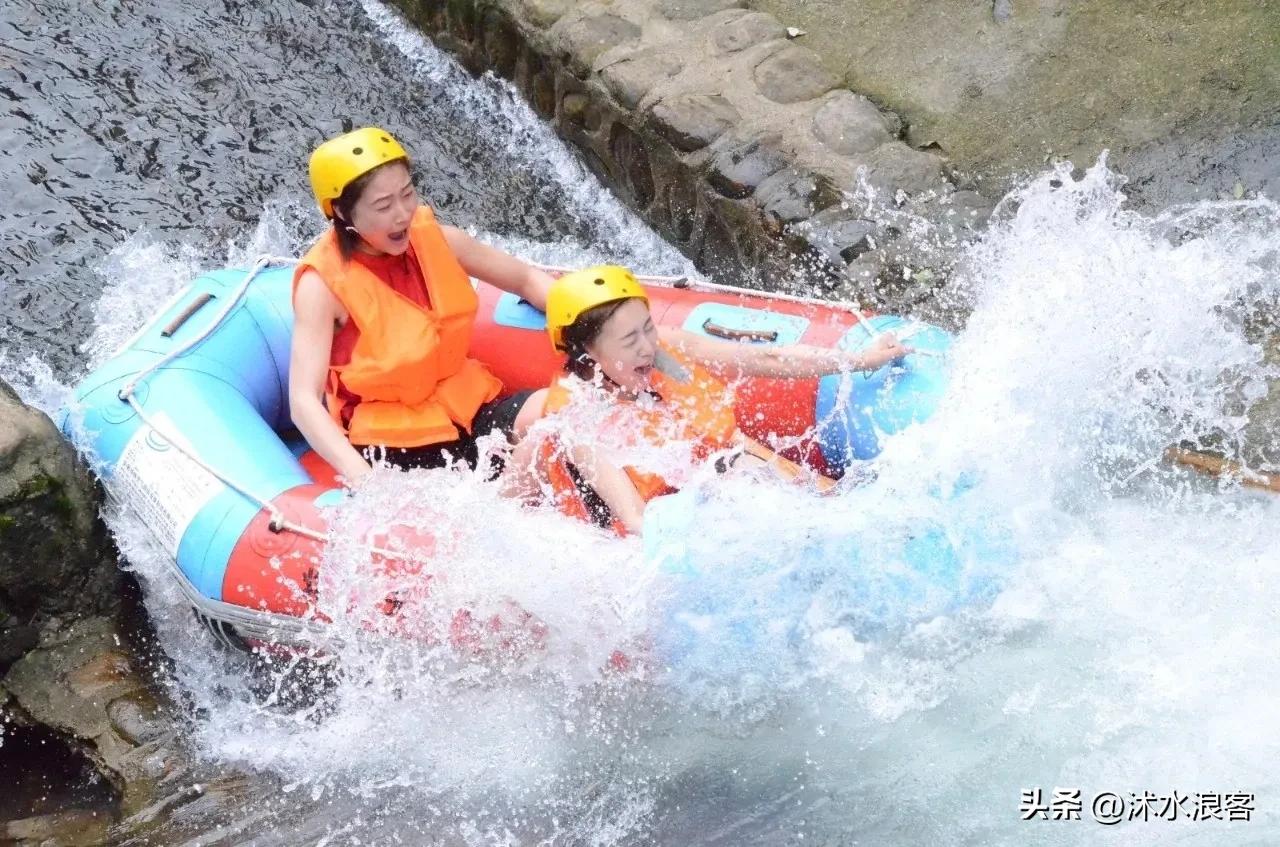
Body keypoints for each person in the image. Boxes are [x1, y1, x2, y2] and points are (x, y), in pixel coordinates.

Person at [533, 265, 911, 535]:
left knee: (757, 474)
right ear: (588, 353)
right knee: (737, 471)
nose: (649, 347)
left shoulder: (664, 352)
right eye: (631, 341)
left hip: (731, 480)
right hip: (663, 540)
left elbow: (766, 359)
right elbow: (636, 521)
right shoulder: (578, 418)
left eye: (648, 328)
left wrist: (863, 359)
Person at [289, 127, 554, 488]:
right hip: (398, 445)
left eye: (408, 194)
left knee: (557, 416)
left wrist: (592, 315)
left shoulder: (438, 239)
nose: (403, 214)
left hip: (470, 408)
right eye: (383, 206)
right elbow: (303, 400)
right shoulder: (320, 287)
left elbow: (526, 279)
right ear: (340, 211)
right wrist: (365, 482)